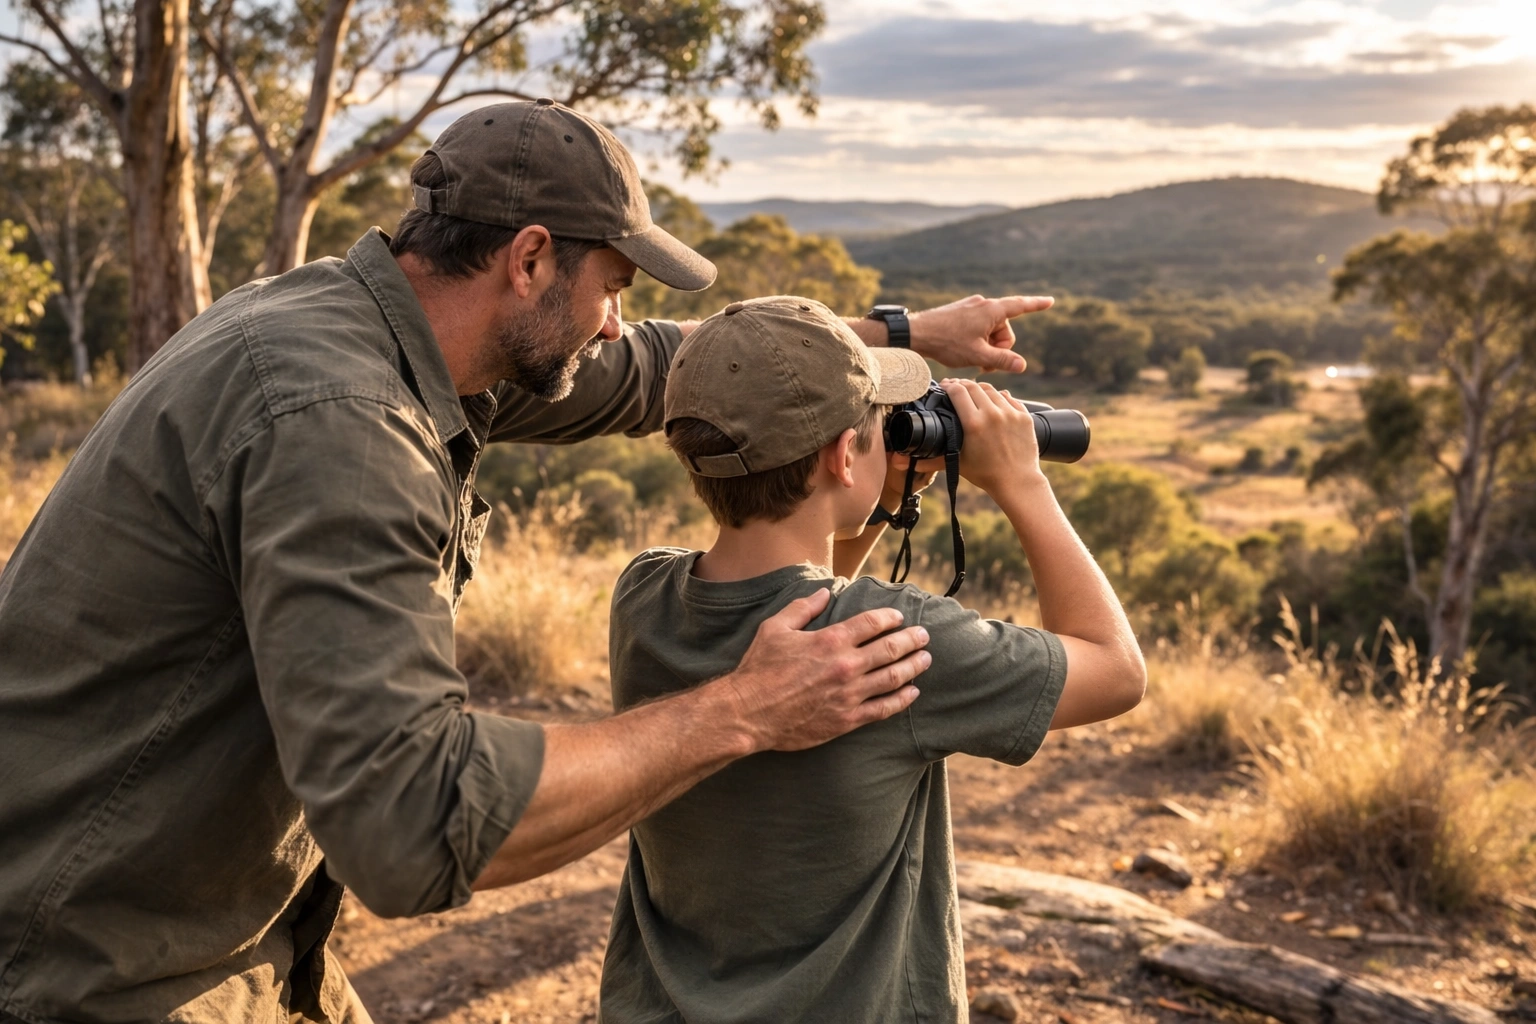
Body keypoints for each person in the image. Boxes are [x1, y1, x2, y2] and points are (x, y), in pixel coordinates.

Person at [0, 100, 1050, 1024]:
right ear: (532, 258)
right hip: (88, 962)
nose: (617, 315)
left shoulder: (378, 326)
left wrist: (893, 341)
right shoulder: (345, 425)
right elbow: (417, 822)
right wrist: (739, 710)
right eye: (615, 282)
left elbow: (650, 371)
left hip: (197, 923)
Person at [599, 296, 1147, 1023]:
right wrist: (1024, 483)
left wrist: (874, 503)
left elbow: (801, 595)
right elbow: (1116, 671)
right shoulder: (899, 640)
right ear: (840, 456)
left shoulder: (644, 595)